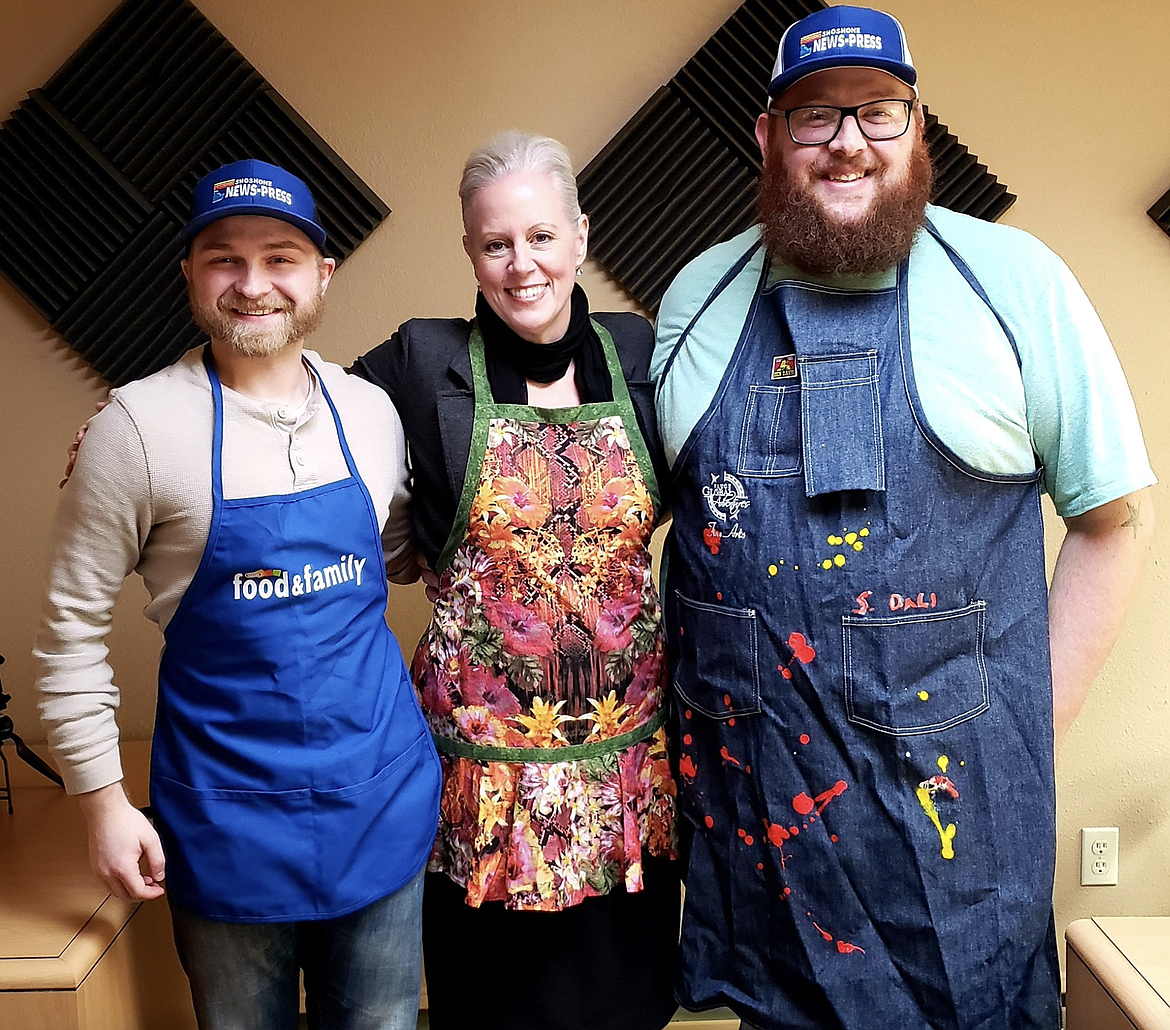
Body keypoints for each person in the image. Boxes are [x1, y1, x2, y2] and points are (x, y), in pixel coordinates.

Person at [651, 7, 1155, 1030]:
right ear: (766, 136)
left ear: (918, 127)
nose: (848, 140)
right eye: (814, 115)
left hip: (955, 846)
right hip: (768, 845)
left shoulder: (1016, 285)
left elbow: (1115, 519)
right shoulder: (699, 294)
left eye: (878, 112)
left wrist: (1024, 725)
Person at [35, 158, 441, 1030]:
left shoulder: (372, 412)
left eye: (280, 257)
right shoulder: (135, 430)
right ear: (189, 273)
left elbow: (410, 556)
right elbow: (69, 634)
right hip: (226, 823)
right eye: (224, 258)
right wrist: (101, 801)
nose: (253, 284)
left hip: (380, 801)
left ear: (322, 275)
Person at [351, 131, 679, 1030]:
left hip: (625, 778)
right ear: (469, 251)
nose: (521, 264)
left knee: (628, 1009)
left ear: (580, 236)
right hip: (483, 781)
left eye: (541, 237)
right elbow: (289, 407)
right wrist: (169, 401)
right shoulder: (421, 362)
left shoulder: (641, 351)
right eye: (496, 243)